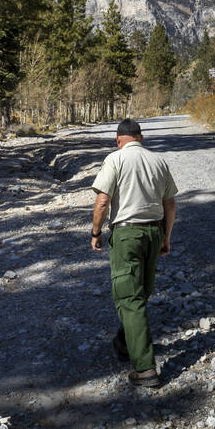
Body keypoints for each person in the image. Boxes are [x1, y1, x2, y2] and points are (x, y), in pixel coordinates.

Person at [90, 118, 178, 387]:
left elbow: (103, 200)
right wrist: (166, 237)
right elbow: (170, 204)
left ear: (119, 140)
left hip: (127, 233)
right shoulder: (158, 161)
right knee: (140, 293)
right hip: (153, 232)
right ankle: (125, 342)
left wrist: (96, 232)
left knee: (129, 297)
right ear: (140, 138)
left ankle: (145, 369)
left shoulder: (115, 159)